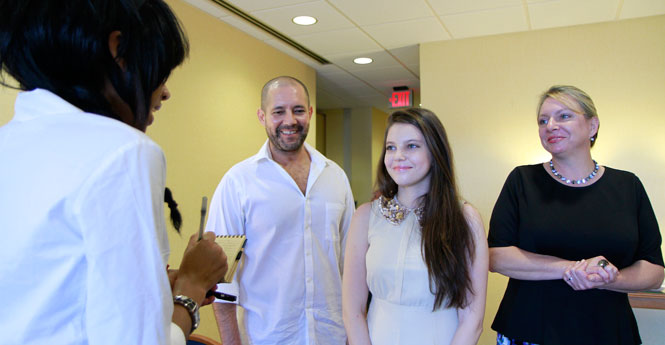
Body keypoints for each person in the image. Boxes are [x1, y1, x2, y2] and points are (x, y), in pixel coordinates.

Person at [0, 1, 229, 344]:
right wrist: (191, 289)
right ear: (119, 50)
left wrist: (152, 279)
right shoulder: (123, 150)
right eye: (161, 71)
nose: (164, 91)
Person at [488, 85, 664, 345]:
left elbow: (653, 269)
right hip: (531, 329)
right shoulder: (522, 180)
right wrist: (571, 269)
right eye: (543, 120)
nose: (551, 125)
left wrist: (607, 279)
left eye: (564, 116)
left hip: (609, 331)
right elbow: (497, 256)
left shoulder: (628, 186)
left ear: (592, 126)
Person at [205, 76, 355, 344]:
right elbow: (221, 280)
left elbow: (350, 264)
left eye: (298, 110)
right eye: (278, 112)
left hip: (331, 335)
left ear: (309, 113)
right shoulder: (238, 182)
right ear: (262, 116)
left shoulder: (335, 177)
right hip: (268, 336)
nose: (290, 120)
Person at [342, 108, 488, 345]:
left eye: (411, 146)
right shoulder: (365, 216)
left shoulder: (465, 218)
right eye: (391, 147)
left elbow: (472, 319)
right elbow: (352, 310)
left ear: (435, 151)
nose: (398, 155)